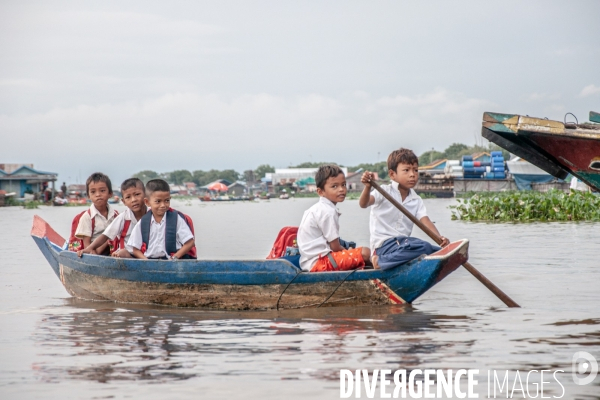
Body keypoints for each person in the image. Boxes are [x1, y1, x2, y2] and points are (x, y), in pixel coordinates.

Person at [359, 148, 450, 270]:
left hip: (403, 246)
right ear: (392, 174)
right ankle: (379, 261)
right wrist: (367, 188)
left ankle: (393, 262)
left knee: (437, 252)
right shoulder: (384, 191)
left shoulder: (416, 200)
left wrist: (440, 240)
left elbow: (425, 221)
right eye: (406, 170)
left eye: (415, 170)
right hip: (384, 246)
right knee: (424, 247)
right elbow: (363, 204)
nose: (412, 174)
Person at [297, 165, 372, 272]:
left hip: (309, 262)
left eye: (343, 185)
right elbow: (335, 247)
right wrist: (348, 251)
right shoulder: (328, 212)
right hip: (320, 263)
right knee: (366, 253)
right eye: (334, 186)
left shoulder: (317, 208)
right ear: (320, 192)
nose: (341, 189)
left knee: (357, 252)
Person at [78, 178, 147, 258]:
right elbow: (106, 235)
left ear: (145, 195)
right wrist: (89, 248)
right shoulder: (122, 218)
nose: (134, 200)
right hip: (129, 255)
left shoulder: (152, 214)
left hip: (146, 252)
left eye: (137, 194)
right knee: (122, 253)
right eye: (128, 197)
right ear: (123, 202)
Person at [128, 179, 196, 260]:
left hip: (172, 261)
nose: (163, 205)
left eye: (167, 200)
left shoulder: (176, 219)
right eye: (158, 201)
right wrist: (145, 261)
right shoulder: (143, 222)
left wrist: (175, 257)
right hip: (150, 262)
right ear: (147, 202)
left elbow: (190, 242)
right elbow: (135, 249)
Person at [74, 173, 119, 255]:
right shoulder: (87, 217)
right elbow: (87, 246)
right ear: (88, 196)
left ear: (110, 194)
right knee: (111, 235)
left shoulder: (116, 215)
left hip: (114, 252)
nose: (98, 195)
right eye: (93, 192)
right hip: (95, 252)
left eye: (102, 191)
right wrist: (95, 253)